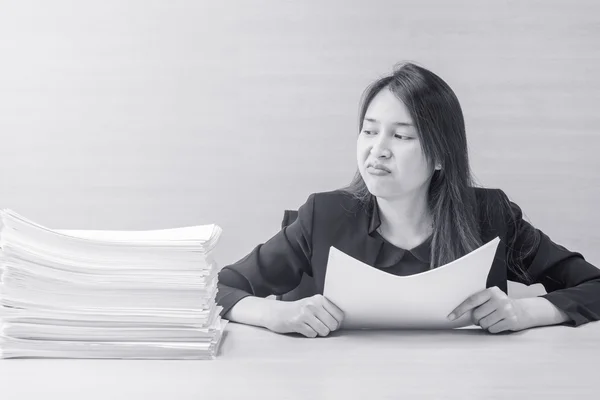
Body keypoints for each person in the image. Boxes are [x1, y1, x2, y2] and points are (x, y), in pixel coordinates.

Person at [215, 62, 600, 337]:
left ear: (440, 155)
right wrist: (274, 313)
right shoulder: (324, 216)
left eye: (401, 136)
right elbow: (219, 287)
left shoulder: (490, 216)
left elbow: (593, 285)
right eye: (369, 132)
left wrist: (526, 311)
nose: (377, 151)